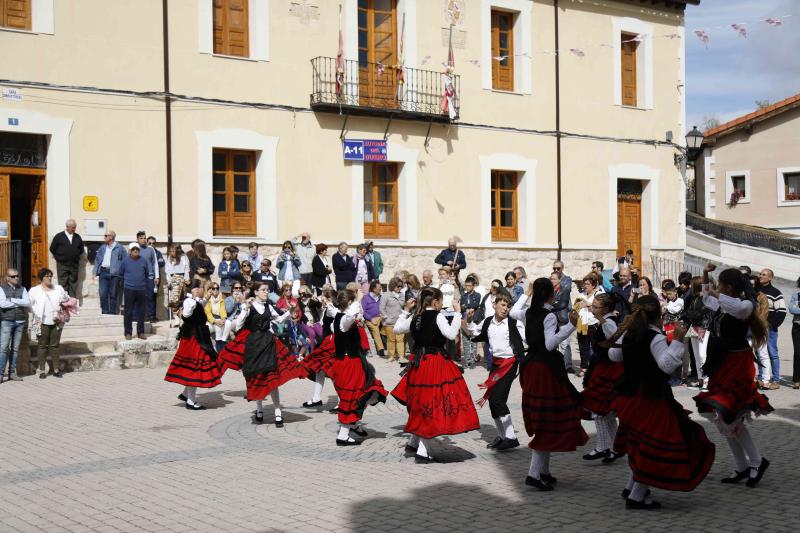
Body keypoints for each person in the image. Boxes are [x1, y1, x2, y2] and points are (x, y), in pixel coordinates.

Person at [606, 295, 715, 509]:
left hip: (630, 396)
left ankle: (631, 487)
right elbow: (666, 365)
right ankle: (636, 496)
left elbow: (613, 355)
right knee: (655, 444)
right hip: (649, 397)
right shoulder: (653, 337)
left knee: (641, 441)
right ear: (659, 314)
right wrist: (678, 340)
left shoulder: (630, 333)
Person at [694, 265, 773, 488]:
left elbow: (734, 307)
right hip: (723, 364)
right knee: (722, 416)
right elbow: (706, 296)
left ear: (729, 286)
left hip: (738, 365)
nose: (718, 287)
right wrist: (706, 275)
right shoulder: (723, 302)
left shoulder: (745, 305)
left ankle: (756, 461)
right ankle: (742, 465)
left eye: (721, 284)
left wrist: (715, 291)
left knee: (731, 416)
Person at [511, 278, 587, 491]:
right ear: (549, 295)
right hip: (545, 370)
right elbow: (550, 344)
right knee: (547, 419)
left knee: (543, 418)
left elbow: (513, 311)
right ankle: (534, 474)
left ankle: (543, 472)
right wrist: (570, 326)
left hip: (531, 367)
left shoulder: (528, 313)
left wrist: (526, 294)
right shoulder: (549, 316)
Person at [392, 288, 479, 462]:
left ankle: (413, 442)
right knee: (432, 403)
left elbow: (396, 329)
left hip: (419, 364)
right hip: (434, 363)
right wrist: (457, 313)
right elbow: (451, 334)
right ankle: (423, 451)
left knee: (421, 402)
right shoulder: (438, 316)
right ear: (436, 302)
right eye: (441, 301)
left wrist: (406, 311)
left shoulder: (415, 317)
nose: (442, 304)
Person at [227, 283, 307, 425]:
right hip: (253, 346)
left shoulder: (269, 306)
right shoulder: (249, 307)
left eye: (267, 290)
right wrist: (245, 308)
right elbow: (237, 325)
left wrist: (290, 310)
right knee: (257, 377)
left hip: (268, 343)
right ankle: (259, 409)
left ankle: (278, 412)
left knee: (272, 378)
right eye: (263, 290)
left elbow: (279, 320)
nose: (266, 292)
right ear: (256, 292)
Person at [463, 292, 526, 451]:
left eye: (508, 306)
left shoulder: (514, 323)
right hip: (496, 364)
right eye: (502, 305)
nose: (505, 309)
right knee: (492, 400)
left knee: (498, 399)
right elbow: (474, 331)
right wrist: (469, 320)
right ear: (494, 305)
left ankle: (511, 437)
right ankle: (502, 435)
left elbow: (527, 339)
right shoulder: (488, 321)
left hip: (510, 363)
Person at [580, 293, 625, 463]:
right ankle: (618, 447)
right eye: (592, 306)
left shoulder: (609, 321)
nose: (592, 309)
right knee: (607, 413)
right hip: (602, 368)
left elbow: (615, 337)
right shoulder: (605, 320)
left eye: (596, 307)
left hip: (609, 370)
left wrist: (602, 319)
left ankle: (603, 447)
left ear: (605, 309)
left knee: (598, 410)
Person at [164, 279, 222, 410]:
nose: (204, 290)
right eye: (203, 288)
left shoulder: (194, 301)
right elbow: (186, 315)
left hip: (198, 336)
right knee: (194, 368)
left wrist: (206, 297)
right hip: (193, 339)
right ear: (196, 289)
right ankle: (191, 401)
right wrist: (195, 299)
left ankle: (186, 394)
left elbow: (200, 305)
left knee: (195, 367)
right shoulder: (189, 301)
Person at [28, 268, 69, 379]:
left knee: (55, 346)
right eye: (47, 276)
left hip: (57, 321)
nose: (49, 278)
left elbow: (66, 299)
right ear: (41, 278)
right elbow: (29, 304)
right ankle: (42, 370)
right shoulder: (34, 290)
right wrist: (36, 312)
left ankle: (56, 370)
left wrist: (64, 298)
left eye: (50, 276)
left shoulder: (58, 288)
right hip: (42, 322)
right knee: (42, 346)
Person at [757, 268, 786, 390]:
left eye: (763, 275)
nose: (760, 276)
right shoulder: (756, 291)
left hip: (770, 328)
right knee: (759, 353)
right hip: (757, 328)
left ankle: (776, 379)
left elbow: (782, 311)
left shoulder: (776, 293)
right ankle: (761, 377)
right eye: (760, 274)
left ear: (770, 278)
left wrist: (771, 325)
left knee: (772, 353)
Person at [0, 268, 30, 382]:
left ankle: (12, 373)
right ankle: (0, 374)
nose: (16, 278)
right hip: (6, 321)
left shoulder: (23, 289)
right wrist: (19, 302)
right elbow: (2, 304)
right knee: (3, 348)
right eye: (13, 276)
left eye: (17, 276)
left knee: (15, 349)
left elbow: (27, 302)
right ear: (7, 278)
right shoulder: (1, 289)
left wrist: (11, 299)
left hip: (20, 322)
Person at [683, 276, 713, 391]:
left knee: (701, 354)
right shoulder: (694, 297)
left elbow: (700, 313)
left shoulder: (706, 298)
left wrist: (693, 314)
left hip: (702, 326)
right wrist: (693, 314)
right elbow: (688, 312)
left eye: (692, 284)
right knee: (696, 355)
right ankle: (700, 380)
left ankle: (706, 380)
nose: (690, 286)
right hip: (694, 326)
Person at [119, 242, 149, 340]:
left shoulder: (143, 260)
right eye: (133, 249)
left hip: (141, 289)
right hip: (129, 289)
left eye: (137, 249)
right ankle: (128, 333)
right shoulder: (125, 261)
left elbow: (146, 274)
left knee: (141, 312)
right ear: (130, 251)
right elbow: (121, 274)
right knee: (128, 312)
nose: (135, 251)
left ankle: (141, 332)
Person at [48, 218, 84, 298]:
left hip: (74, 265)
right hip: (62, 264)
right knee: (63, 284)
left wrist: (75, 256)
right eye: (73, 227)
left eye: (75, 227)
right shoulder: (59, 236)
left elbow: (81, 250)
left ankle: (72, 301)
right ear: (67, 227)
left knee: (73, 284)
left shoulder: (77, 237)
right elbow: (52, 248)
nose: (74, 229)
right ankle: (64, 301)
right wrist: (59, 258)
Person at [92, 230, 126, 315]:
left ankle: (112, 312)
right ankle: (105, 311)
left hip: (115, 274)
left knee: (113, 294)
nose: (104, 237)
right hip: (103, 272)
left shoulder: (120, 248)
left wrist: (122, 273)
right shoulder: (102, 247)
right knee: (103, 293)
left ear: (111, 237)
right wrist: (95, 271)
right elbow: (97, 260)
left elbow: (125, 261)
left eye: (106, 235)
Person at [575, 273, 602, 376]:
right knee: (583, 347)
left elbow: (602, 307)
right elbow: (575, 307)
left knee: (595, 347)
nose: (585, 286)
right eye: (584, 284)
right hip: (582, 323)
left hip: (594, 324)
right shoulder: (581, 295)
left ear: (593, 285)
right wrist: (577, 306)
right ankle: (584, 368)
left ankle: (597, 368)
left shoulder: (598, 294)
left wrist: (588, 304)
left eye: (587, 284)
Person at [550, 271, 574, 374]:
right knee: (552, 343)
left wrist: (552, 304)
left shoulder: (565, 290)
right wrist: (555, 302)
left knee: (565, 343)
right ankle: (553, 364)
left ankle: (568, 366)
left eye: (554, 279)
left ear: (560, 280)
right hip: (551, 320)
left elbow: (563, 304)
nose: (552, 280)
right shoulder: (548, 291)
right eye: (551, 279)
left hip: (562, 319)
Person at [135, 232, 159, 322]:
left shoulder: (150, 249)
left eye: (145, 238)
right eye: (141, 238)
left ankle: (151, 316)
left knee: (150, 297)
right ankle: (140, 316)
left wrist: (157, 276)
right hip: (138, 278)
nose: (144, 240)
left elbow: (155, 263)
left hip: (149, 277)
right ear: (137, 239)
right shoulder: (135, 249)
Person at [380, 277, 406, 362]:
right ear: (393, 285)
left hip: (400, 321)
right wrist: (386, 318)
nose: (400, 288)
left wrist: (398, 297)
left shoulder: (402, 295)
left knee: (400, 340)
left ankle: (401, 356)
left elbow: (403, 305)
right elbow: (381, 308)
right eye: (398, 286)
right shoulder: (386, 295)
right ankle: (391, 356)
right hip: (389, 322)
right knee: (391, 340)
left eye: (401, 286)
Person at [164, 244, 190, 325]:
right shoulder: (169, 258)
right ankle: (176, 316)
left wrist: (187, 278)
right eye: (170, 251)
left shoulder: (184, 257)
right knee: (174, 299)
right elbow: (167, 270)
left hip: (182, 278)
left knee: (182, 298)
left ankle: (181, 315)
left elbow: (186, 268)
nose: (172, 252)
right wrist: (169, 281)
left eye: (173, 251)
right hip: (173, 279)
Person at [459, 276, 481, 368]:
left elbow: (475, 305)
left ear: (473, 286)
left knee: (473, 341)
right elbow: (461, 306)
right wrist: (466, 307)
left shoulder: (477, 295)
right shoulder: (463, 296)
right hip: (464, 320)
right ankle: (467, 360)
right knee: (465, 341)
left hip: (473, 320)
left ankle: (472, 360)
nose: (467, 287)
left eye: (469, 286)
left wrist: (466, 306)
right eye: (466, 285)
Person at [204, 282, 229, 353]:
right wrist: (215, 321)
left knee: (228, 322)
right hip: (209, 322)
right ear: (210, 290)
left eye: (217, 288)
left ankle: (223, 341)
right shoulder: (207, 299)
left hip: (218, 320)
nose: (215, 290)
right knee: (218, 324)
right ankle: (218, 342)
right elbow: (208, 313)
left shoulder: (221, 300)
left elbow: (223, 311)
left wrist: (223, 319)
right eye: (213, 288)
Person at [362, 281, 384, 357]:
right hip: (371, 318)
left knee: (389, 325)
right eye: (379, 288)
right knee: (375, 329)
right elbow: (363, 311)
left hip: (381, 317)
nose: (381, 289)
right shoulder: (366, 298)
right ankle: (381, 349)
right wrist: (370, 318)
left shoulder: (381, 297)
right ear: (374, 289)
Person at [147, 236, 165, 321]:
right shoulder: (144, 251)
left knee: (153, 297)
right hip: (145, 278)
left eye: (153, 243)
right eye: (149, 243)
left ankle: (152, 316)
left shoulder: (158, 253)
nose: (151, 245)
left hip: (155, 279)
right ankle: (145, 315)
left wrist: (155, 261)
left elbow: (161, 263)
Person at [789, 276, 800, 389]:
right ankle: (796, 380)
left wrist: (798, 309)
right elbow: (792, 309)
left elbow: (796, 309)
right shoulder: (795, 296)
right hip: (797, 327)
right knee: (797, 353)